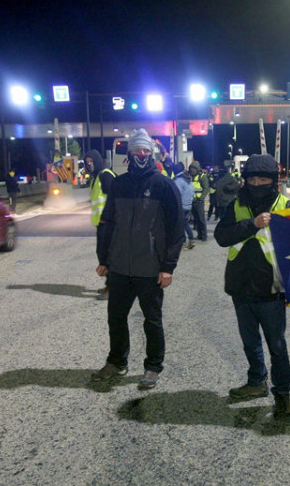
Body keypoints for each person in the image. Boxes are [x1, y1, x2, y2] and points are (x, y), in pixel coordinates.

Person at [92, 128, 185, 390]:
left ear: (151, 153)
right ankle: (117, 362)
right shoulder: (119, 184)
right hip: (120, 267)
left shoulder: (164, 185)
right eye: (136, 150)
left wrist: (168, 267)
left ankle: (153, 366)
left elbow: (177, 229)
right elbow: (107, 223)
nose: (141, 154)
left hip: (150, 268)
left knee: (152, 320)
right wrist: (104, 259)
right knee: (116, 318)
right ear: (129, 153)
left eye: (145, 150)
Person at [214, 154, 290, 420]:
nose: (257, 183)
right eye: (252, 178)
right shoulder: (236, 205)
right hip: (240, 289)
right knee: (250, 343)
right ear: (245, 180)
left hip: (272, 292)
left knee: (277, 347)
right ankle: (256, 382)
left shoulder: (286, 206)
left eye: (263, 179)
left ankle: (282, 395)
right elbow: (221, 237)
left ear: (274, 181)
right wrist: (252, 224)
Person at [85, 149, 117, 301]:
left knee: (108, 255)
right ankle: (109, 284)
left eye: (91, 161)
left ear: (97, 160)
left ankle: (112, 288)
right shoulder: (95, 177)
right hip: (101, 223)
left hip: (109, 223)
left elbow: (113, 198)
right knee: (102, 254)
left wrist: (105, 217)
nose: (89, 164)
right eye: (87, 162)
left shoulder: (105, 175)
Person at [172, 162, 196, 250]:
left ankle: (183, 242)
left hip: (180, 205)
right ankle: (191, 240)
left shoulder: (177, 180)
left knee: (180, 224)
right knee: (184, 223)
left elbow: (175, 194)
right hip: (188, 205)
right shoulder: (188, 178)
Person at [189, 161, 208, 241]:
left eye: (193, 168)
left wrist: (201, 198)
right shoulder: (190, 177)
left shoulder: (202, 177)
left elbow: (206, 188)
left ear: (197, 169)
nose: (192, 170)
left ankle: (204, 235)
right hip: (192, 201)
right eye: (191, 168)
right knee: (196, 219)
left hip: (199, 201)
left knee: (201, 219)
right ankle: (199, 234)